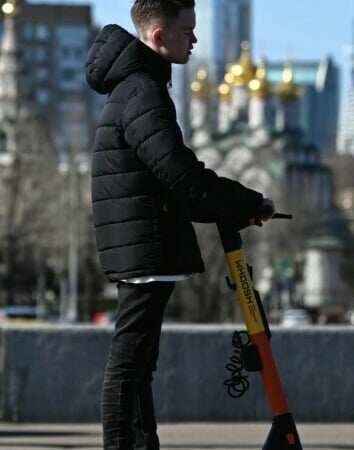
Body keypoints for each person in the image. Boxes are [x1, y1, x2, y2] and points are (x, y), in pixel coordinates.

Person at [85, 1, 274, 448]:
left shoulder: (137, 87)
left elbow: (173, 176)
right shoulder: (142, 92)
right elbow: (182, 176)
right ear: (157, 36)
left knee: (140, 362)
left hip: (143, 241)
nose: (194, 38)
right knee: (130, 362)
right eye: (186, 29)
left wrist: (235, 207)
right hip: (144, 242)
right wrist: (247, 201)